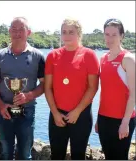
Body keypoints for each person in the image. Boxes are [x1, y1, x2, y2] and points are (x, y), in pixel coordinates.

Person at [0, 17, 45, 160]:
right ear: (9, 31)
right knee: (6, 153)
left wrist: (29, 95)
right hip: (4, 112)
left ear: (29, 32)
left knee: (25, 154)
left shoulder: (38, 56)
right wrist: (1, 105)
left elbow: (45, 85)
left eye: (21, 29)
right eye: (14, 29)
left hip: (27, 112)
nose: (17, 33)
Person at [45, 18, 99, 160]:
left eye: (71, 32)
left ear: (79, 34)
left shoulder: (89, 55)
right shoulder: (52, 55)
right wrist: (55, 113)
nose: (67, 35)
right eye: (64, 32)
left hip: (81, 115)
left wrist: (77, 111)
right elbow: (48, 87)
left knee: (78, 156)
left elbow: (93, 88)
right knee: (56, 155)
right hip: (57, 115)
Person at [95, 18, 136, 160]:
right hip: (104, 118)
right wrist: (98, 120)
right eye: (107, 34)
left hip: (122, 119)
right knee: (108, 156)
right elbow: (104, 92)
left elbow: (133, 94)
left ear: (122, 36)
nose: (110, 38)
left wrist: (125, 123)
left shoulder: (128, 59)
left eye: (114, 35)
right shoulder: (103, 58)